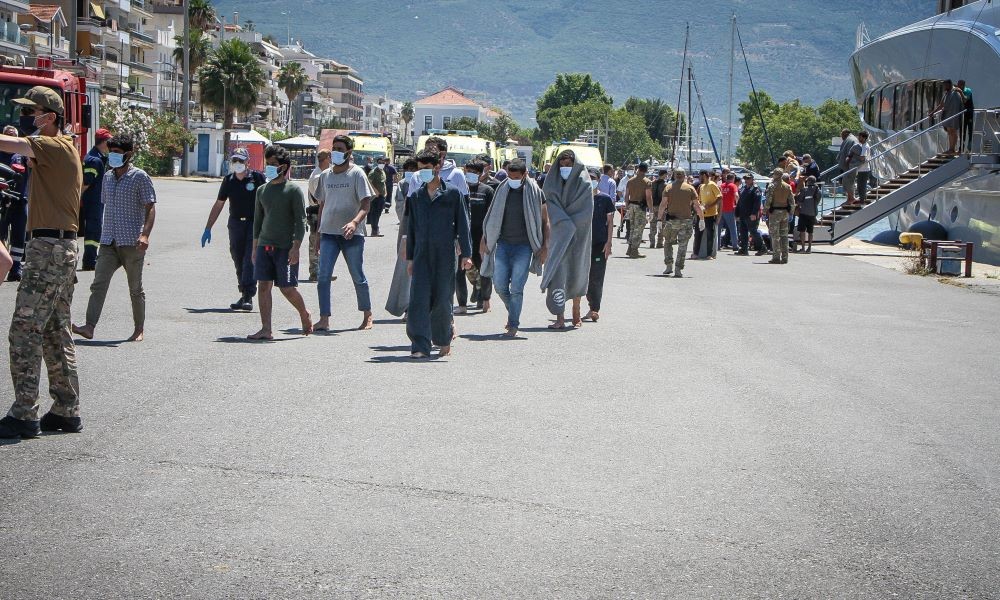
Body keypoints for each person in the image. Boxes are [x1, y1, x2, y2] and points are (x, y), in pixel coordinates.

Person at [0, 86, 84, 439]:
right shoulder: (61, 149)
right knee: (54, 329)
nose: (27, 119)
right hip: (60, 249)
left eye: (32, 112)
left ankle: (24, 413)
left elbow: (13, 147)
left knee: (24, 330)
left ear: (49, 117)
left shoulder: (53, 145)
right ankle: (66, 409)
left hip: (47, 249)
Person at [71, 133, 156, 343]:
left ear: (129, 154)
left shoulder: (140, 177)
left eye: (117, 153)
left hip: (131, 242)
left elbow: (151, 207)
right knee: (98, 284)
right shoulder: (107, 177)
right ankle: (89, 326)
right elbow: (105, 207)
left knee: (135, 288)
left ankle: (139, 329)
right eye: (111, 153)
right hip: (109, 241)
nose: (113, 157)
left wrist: (145, 235)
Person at [405, 149, 473, 358]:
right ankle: (419, 345)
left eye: (426, 168)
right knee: (418, 300)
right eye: (420, 169)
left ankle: (444, 340)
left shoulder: (452, 193)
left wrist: (466, 254)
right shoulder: (416, 196)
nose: (422, 173)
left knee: (443, 300)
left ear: (437, 167)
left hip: (445, 254)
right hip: (421, 254)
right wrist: (409, 259)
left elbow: (463, 225)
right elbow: (411, 229)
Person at [247, 145, 311, 341]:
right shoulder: (261, 191)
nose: (270, 168)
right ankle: (266, 328)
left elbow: (301, 220)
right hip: (264, 245)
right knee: (263, 286)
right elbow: (257, 221)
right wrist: (254, 248)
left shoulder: (293, 190)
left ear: (284, 167)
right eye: (268, 164)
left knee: (286, 288)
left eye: (274, 165)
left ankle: (304, 314)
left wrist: (296, 247)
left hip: (285, 247)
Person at [313, 134, 375, 332]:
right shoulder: (325, 176)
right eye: (334, 148)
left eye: (340, 149)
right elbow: (322, 205)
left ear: (349, 152)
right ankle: (324, 318)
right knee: (323, 277)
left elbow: (366, 204)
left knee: (357, 275)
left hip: (352, 235)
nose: (336, 152)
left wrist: (354, 222)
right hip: (329, 234)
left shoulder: (357, 174)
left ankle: (367, 315)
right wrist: (318, 234)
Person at [481, 160, 546, 337]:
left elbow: (544, 221)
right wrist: (484, 239)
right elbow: (491, 216)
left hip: (524, 247)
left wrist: (545, 246)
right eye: (510, 176)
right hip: (503, 244)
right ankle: (513, 312)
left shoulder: (535, 192)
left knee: (517, 288)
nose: (512, 179)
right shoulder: (502, 189)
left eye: (516, 177)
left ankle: (513, 324)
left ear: (524, 175)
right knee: (500, 285)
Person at [202, 147, 267, 311]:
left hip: (254, 223)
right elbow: (219, 204)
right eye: (235, 161)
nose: (238, 164)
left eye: (241, 160)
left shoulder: (257, 178)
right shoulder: (229, 180)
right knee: (237, 257)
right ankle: (244, 291)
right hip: (236, 223)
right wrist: (208, 228)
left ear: (248, 162)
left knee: (248, 259)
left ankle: (248, 296)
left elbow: (269, 200)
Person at [541, 151, 593, 329]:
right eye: (562, 165)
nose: (564, 168)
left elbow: (586, 210)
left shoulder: (584, 183)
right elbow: (551, 204)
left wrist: (570, 224)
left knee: (577, 271)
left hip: (579, 236)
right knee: (558, 274)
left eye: (568, 165)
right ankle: (559, 317)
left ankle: (576, 312)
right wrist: (563, 223)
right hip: (559, 235)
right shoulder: (552, 182)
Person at [385, 158, 418, 319]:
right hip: (407, 231)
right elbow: (400, 206)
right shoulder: (405, 184)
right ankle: (407, 307)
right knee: (407, 273)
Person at [657, 168, 704, 278]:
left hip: (671, 221)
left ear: (674, 175)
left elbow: (663, 205)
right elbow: (696, 205)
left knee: (668, 243)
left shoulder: (668, 188)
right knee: (683, 246)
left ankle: (669, 265)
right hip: (686, 221)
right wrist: (701, 219)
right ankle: (678, 268)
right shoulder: (690, 188)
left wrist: (659, 219)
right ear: (684, 176)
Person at [463, 159, 495, 312]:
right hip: (464, 236)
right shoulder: (459, 189)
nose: (471, 175)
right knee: (465, 269)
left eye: (475, 172)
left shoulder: (487, 191)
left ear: (481, 173)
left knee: (484, 269)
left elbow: (492, 216)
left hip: (481, 237)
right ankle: (475, 288)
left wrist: (487, 237)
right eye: (469, 171)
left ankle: (485, 299)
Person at [79, 128, 112, 270]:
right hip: (92, 202)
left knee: (94, 230)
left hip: (94, 201)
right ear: (103, 142)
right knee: (93, 231)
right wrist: (77, 199)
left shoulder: (97, 157)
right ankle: (90, 260)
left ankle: (90, 259)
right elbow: (86, 183)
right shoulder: (95, 160)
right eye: (109, 142)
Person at [585, 168, 615, 322]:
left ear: (598, 179)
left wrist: (609, 242)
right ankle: (585, 304)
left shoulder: (605, 199)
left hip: (599, 244)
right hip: (582, 245)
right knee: (582, 278)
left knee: (596, 278)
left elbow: (610, 222)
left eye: (593, 178)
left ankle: (594, 308)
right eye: (588, 177)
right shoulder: (580, 198)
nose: (590, 180)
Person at [0, 125, 28, 281]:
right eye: (7, 135)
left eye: (13, 135)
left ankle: (16, 268)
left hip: (20, 200)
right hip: (2, 201)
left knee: (19, 235)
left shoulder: (22, 155)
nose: (10, 137)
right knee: (1, 234)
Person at [306, 149, 332, 281]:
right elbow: (320, 199)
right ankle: (315, 272)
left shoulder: (322, 174)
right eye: (330, 157)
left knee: (323, 242)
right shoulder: (318, 176)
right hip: (317, 212)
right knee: (315, 242)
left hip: (322, 211)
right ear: (327, 158)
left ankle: (322, 271)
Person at [764, 168, 795, 264]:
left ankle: (776, 257)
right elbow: (792, 201)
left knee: (775, 235)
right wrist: (791, 212)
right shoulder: (787, 186)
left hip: (775, 212)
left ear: (776, 175)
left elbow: (768, 200)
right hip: (785, 212)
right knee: (784, 235)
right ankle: (785, 257)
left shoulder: (772, 186)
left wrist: (766, 210)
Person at [623, 162, 652, 258]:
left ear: (638, 169)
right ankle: (634, 250)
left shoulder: (630, 181)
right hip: (640, 206)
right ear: (646, 170)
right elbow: (648, 197)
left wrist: (627, 206)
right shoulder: (647, 182)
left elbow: (626, 195)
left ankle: (630, 248)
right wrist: (651, 210)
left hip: (631, 205)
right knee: (638, 229)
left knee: (632, 227)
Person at [735, 174, 767, 256]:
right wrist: (737, 213)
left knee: (753, 232)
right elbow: (739, 202)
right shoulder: (743, 189)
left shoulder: (756, 189)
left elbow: (757, 203)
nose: (746, 180)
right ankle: (744, 249)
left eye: (748, 179)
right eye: (745, 179)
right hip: (743, 214)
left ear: (752, 179)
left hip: (751, 215)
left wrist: (753, 213)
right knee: (743, 232)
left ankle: (762, 248)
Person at [693, 169, 721, 259]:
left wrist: (710, 205)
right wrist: (699, 206)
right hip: (701, 214)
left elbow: (719, 197)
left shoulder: (712, 185)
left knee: (710, 234)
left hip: (711, 214)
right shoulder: (701, 186)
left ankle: (709, 254)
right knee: (698, 233)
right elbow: (700, 199)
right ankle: (695, 253)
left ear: (705, 175)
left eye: (700, 176)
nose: (699, 178)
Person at [936, 79, 965, 155]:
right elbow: (941, 104)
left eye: (945, 85)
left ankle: (952, 149)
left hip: (954, 116)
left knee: (953, 131)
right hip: (949, 116)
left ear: (949, 84)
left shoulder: (955, 92)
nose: (944, 87)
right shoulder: (947, 93)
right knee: (950, 132)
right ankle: (951, 148)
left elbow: (958, 104)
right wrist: (932, 112)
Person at [796, 175, 822, 253]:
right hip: (813, 213)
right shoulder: (818, 190)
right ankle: (809, 248)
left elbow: (799, 200)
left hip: (803, 212)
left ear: (808, 181)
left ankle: (803, 248)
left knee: (802, 231)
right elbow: (817, 201)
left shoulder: (804, 190)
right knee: (810, 231)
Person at [837, 129, 859, 205]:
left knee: (847, 181)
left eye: (842, 135)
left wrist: (850, 162)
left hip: (851, 165)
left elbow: (855, 151)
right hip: (849, 165)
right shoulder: (850, 139)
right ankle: (850, 198)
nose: (842, 137)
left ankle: (851, 198)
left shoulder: (851, 139)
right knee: (848, 182)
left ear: (845, 134)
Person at [366, 155, 387, 236]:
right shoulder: (373, 172)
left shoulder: (382, 171)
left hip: (382, 196)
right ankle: (374, 231)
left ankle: (376, 229)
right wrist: (375, 191)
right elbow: (369, 182)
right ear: (377, 163)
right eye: (380, 163)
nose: (381, 164)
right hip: (375, 196)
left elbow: (383, 182)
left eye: (383, 163)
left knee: (378, 213)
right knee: (374, 213)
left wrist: (385, 192)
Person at [718, 173, 739, 250]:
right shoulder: (733, 186)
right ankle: (735, 245)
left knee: (718, 228)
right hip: (730, 209)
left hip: (720, 210)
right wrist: (737, 204)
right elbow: (736, 195)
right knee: (733, 228)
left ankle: (717, 245)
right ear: (733, 178)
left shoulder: (721, 186)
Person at [649, 168, 668, 248]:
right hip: (661, 206)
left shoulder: (652, 183)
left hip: (653, 205)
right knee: (661, 224)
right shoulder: (665, 185)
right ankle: (660, 242)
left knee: (652, 224)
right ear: (664, 175)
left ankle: (652, 242)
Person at [957, 80, 974, 152]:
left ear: (963, 85)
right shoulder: (957, 91)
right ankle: (961, 147)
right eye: (958, 85)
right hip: (962, 114)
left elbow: (965, 100)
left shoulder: (968, 90)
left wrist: (960, 92)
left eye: (960, 85)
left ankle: (970, 144)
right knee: (962, 131)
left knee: (970, 130)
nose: (959, 86)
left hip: (969, 113)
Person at [855, 131, 872, 204]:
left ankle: (862, 201)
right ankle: (862, 199)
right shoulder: (864, 145)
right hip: (862, 169)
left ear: (864, 138)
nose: (858, 138)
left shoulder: (865, 146)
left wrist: (854, 158)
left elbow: (862, 158)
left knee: (861, 186)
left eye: (860, 137)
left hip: (863, 169)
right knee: (861, 186)